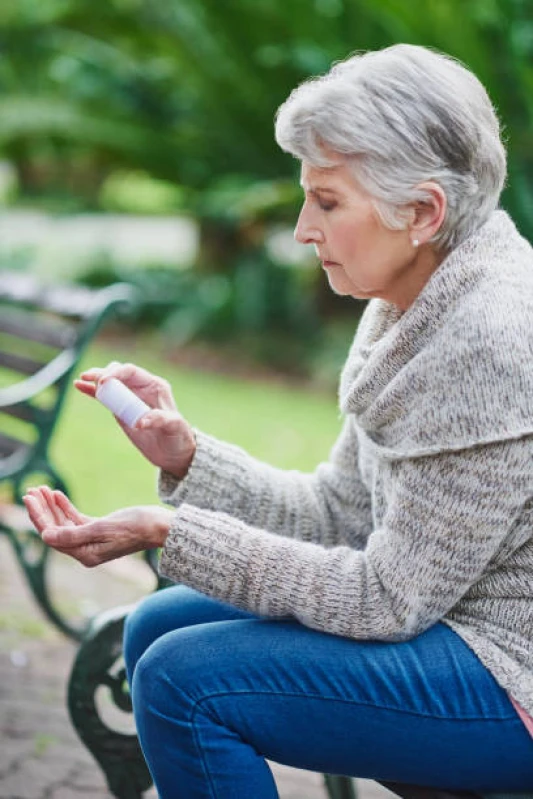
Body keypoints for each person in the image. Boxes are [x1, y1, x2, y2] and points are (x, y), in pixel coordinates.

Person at [23, 43, 533, 799]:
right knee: (156, 625)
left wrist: (171, 531)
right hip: (443, 616)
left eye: (327, 201)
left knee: (185, 680)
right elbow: (340, 512)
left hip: (508, 667)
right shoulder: (412, 300)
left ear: (422, 212)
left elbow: (385, 599)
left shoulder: (484, 340)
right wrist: (189, 458)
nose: (301, 229)